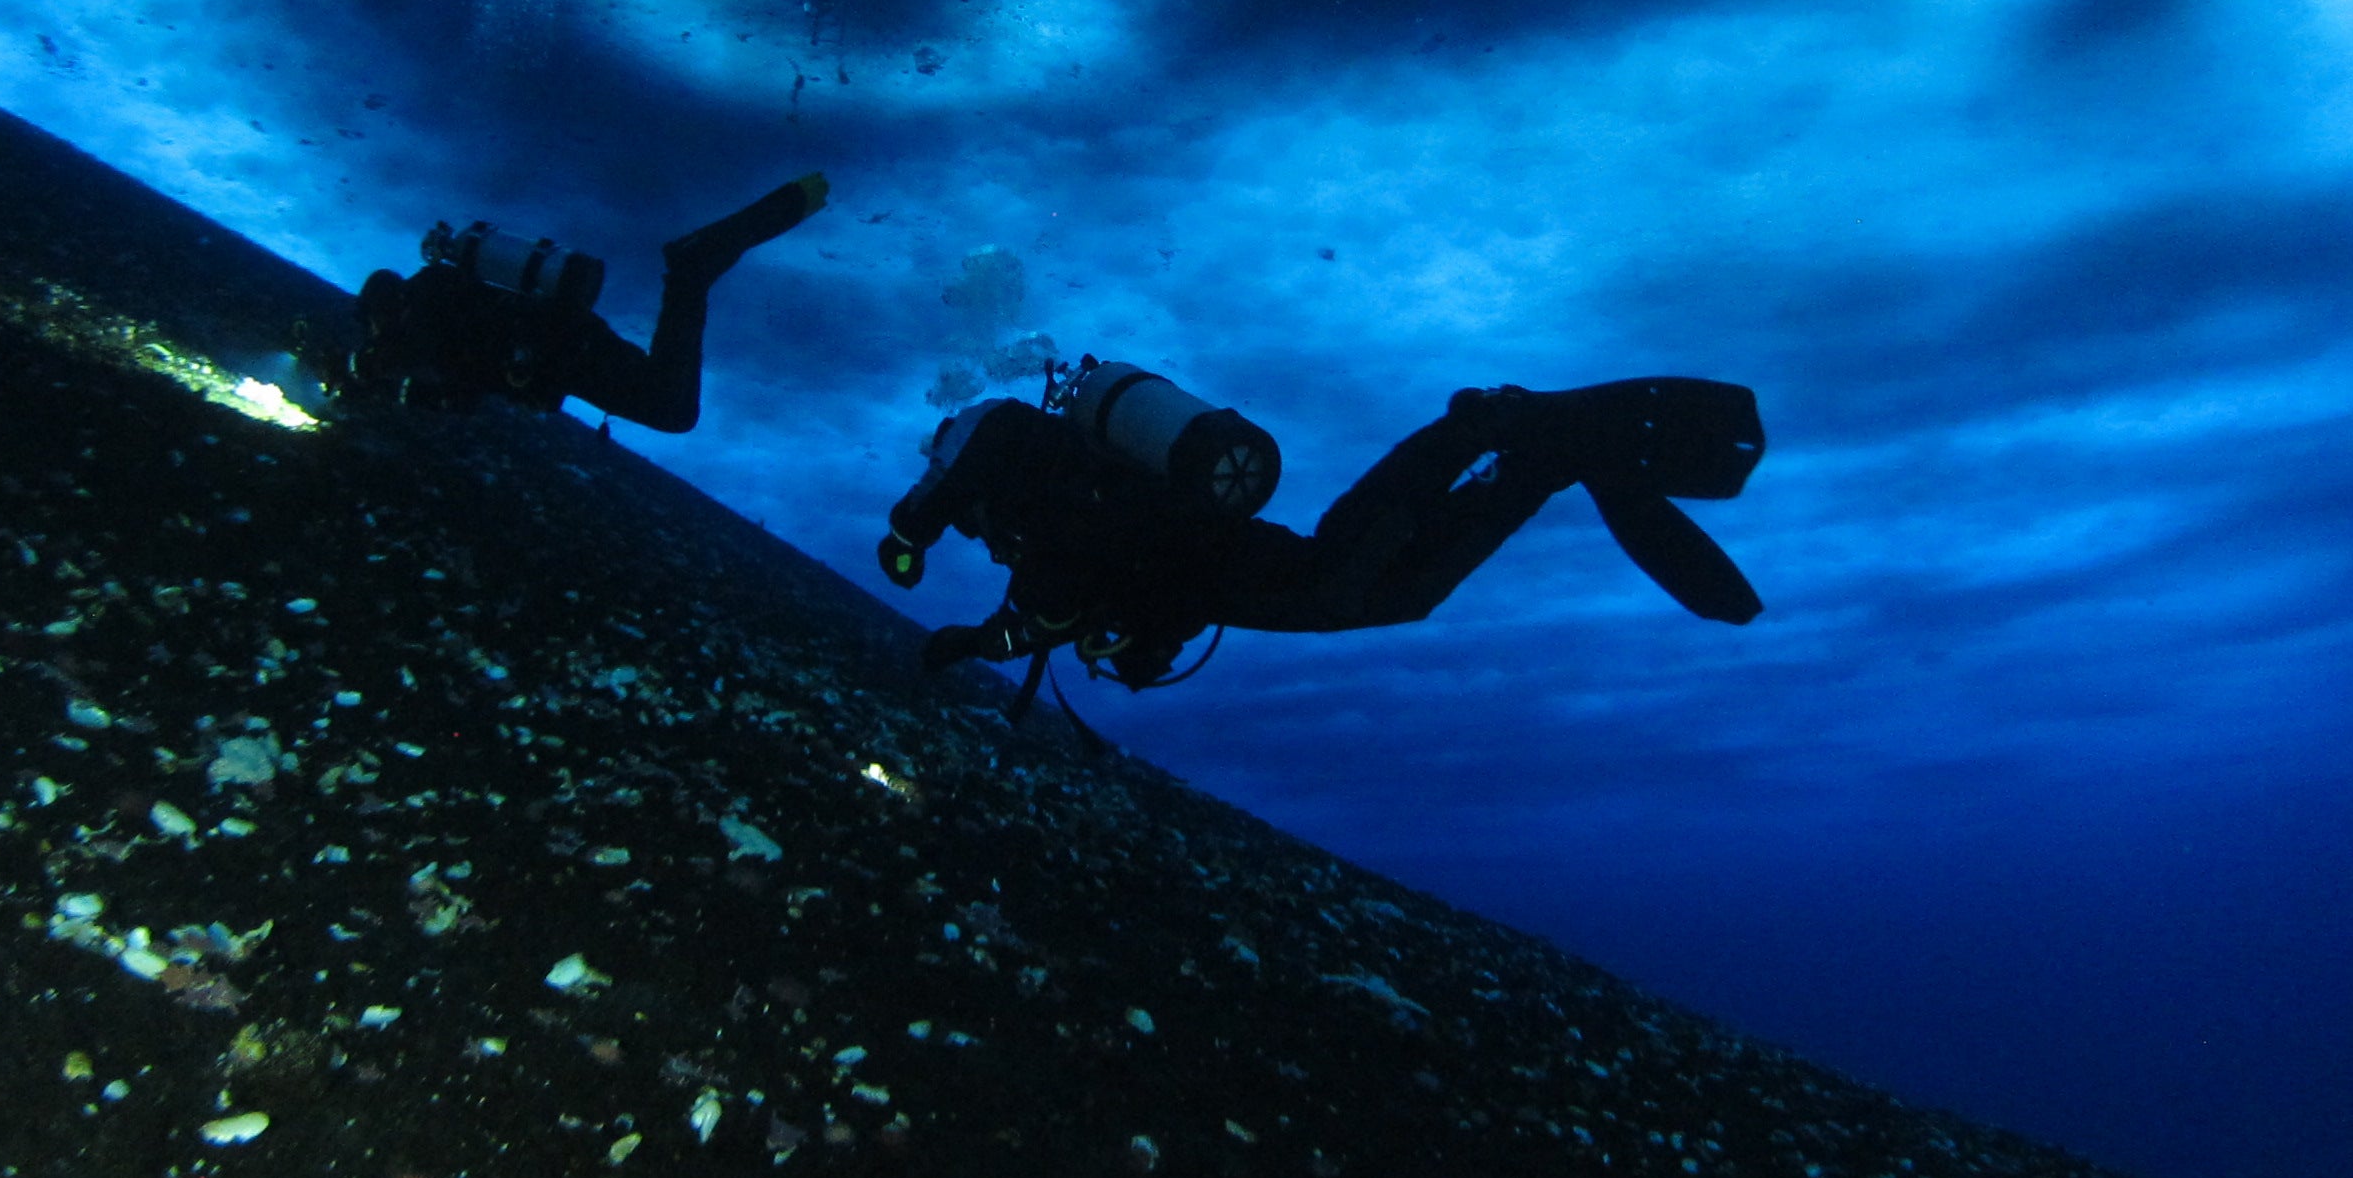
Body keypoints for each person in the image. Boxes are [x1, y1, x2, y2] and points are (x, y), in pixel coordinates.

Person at [880, 367, 1764, 688]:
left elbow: (1049, 607)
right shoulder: (1057, 498)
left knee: (1359, 575)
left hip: (1243, 572)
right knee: (1387, 582)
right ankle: (1522, 455)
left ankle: (1486, 430)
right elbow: (1092, 599)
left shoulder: (1050, 513)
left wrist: (969, 640)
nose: (984, 540)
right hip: (1233, 568)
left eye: (974, 527)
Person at [342, 174, 826, 432]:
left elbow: (448, 356)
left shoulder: (425, 306)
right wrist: (423, 394)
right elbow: (467, 383)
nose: (378, 337)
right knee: (671, 407)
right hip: (567, 350)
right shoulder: (431, 306)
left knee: (673, 411)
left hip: (566, 351)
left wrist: (370, 368)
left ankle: (690, 271)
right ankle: (691, 273)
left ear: (385, 308)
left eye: (376, 326)